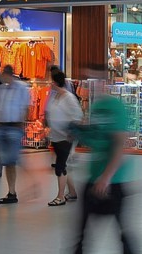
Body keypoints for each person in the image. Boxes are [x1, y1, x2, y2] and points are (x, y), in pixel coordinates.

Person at [73, 64, 138, 253]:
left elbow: (119, 144)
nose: (93, 85)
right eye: (90, 81)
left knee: (123, 232)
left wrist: (106, 178)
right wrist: (78, 132)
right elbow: (97, 140)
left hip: (114, 179)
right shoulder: (96, 106)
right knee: (82, 231)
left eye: (98, 81)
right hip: (95, 177)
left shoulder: (115, 106)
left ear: (106, 82)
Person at [0, 65, 32, 204]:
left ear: (9, 74)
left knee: (14, 160)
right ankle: (11, 192)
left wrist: (21, 125)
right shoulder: (1, 88)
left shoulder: (22, 88)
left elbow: (26, 108)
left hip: (14, 127)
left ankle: (32, 183)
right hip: (2, 128)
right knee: (8, 162)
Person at [46, 70, 82, 207]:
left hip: (65, 137)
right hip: (56, 136)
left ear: (55, 82)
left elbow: (77, 116)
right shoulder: (55, 96)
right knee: (63, 165)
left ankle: (60, 196)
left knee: (60, 167)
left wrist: (71, 133)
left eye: (51, 81)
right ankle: (72, 192)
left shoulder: (68, 98)